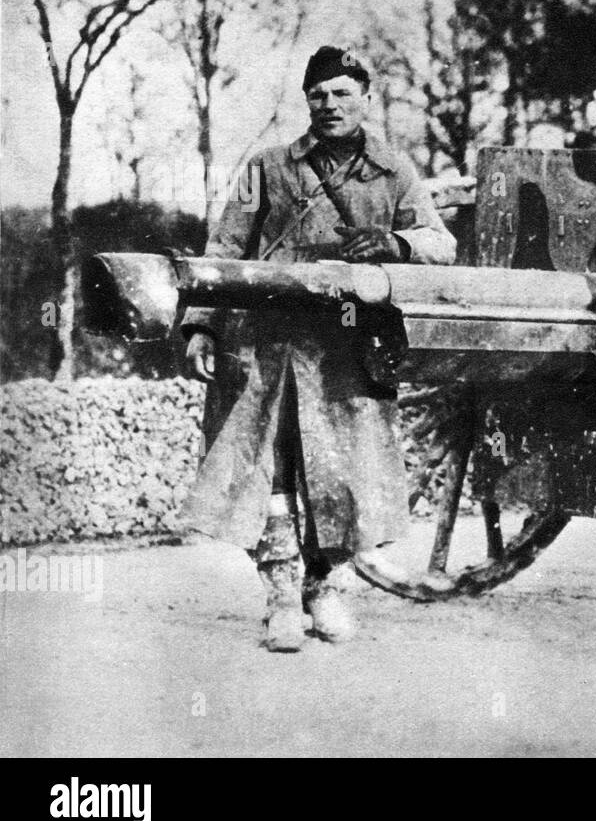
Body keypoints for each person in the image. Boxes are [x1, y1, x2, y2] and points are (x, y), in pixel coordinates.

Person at [180, 46, 457, 652]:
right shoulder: (267, 169)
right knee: (270, 470)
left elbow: (443, 244)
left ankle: (323, 588)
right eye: (318, 95)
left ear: (365, 97)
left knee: (341, 473)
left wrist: (396, 243)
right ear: (307, 101)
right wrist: (202, 325)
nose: (329, 105)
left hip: (346, 351)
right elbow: (223, 249)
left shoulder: (393, 171)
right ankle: (280, 594)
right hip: (267, 346)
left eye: (342, 94)